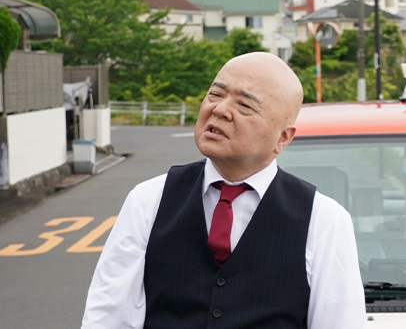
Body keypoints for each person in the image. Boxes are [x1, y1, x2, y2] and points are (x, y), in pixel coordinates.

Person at [82, 52, 366, 328]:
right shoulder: (149, 200)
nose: (219, 110)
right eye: (215, 94)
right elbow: (107, 318)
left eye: (244, 105)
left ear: (282, 137)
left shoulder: (323, 220)